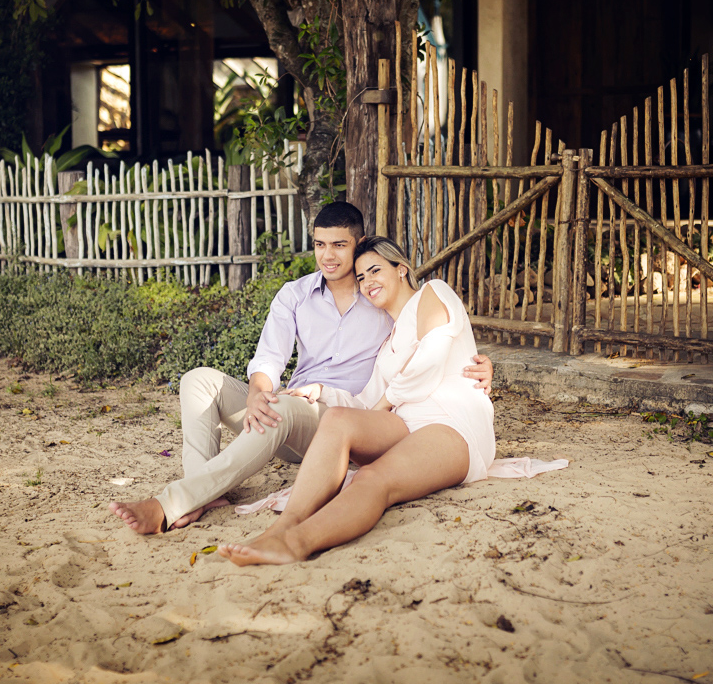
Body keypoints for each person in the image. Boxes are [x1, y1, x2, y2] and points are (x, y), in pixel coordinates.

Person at [109, 205, 492, 534]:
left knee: (284, 406)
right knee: (199, 381)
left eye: (339, 245)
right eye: (320, 245)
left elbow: (431, 339)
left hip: (339, 421)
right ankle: (201, 489)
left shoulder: (381, 297)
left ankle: (173, 502)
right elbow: (268, 359)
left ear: (358, 245)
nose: (328, 256)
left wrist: (478, 365)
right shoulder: (295, 294)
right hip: (288, 414)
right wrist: (258, 394)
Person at [217, 236, 494, 566]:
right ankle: (282, 527)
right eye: (361, 277)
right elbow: (365, 402)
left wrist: (385, 403)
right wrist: (320, 390)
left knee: (371, 478)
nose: (367, 282)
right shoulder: (388, 344)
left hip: (451, 424)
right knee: (337, 418)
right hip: (407, 425)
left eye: (375, 271)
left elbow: (430, 360)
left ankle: (296, 543)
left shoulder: (433, 293)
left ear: (401, 269)